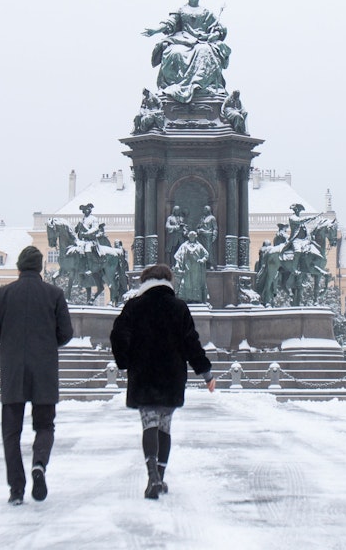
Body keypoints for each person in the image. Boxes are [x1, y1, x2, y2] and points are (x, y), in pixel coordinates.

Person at [110, 264, 216, 500]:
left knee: (149, 423)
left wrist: (125, 361)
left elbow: (118, 335)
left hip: (144, 373)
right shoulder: (178, 307)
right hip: (171, 374)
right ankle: (160, 474)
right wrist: (206, 372)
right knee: (165, 425)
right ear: (168, 281)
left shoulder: (134, 306)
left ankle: (152, 477)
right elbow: (191, 342)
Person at [0, 246, 74, 506]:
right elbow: (66, 333)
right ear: (40, 267)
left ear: (19, 267)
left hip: (13, 371)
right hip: (44, 370)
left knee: (11, 432)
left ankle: (16, 489)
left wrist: (10, 338)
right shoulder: (54, 294)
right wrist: (47, 343)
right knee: (45, 425)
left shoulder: (3, 294)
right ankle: (39, 464)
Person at [142, 0, 230, 104]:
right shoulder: (181, 10)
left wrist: (213, 35)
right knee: (173, 52)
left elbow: (220, 29)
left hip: (201, 41)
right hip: (182, 39)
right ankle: (172, 86)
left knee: (205, 51)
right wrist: (155, 31)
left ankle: (201, 86)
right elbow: (169, 23)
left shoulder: (206, 12)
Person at [173, 230, 209, 303]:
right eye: (190, 236)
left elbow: (206, 254)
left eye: (193, 236)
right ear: (188, 236)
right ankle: (187, 299)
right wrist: (177, 264)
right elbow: (178, 256)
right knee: (187, 283)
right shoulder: (184, 245)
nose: (192, 237)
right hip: (187, 266)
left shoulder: (199, 246)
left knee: (196, 283)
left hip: (196, 267)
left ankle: (197, 299)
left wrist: (202, 260)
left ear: (195, 237)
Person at [196, 205, 218, 270]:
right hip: (201, 236)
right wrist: (198, 230)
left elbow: (215, 228)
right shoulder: (202, 218)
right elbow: (198, 226)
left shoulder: (212, 218)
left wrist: (214, 236)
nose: (203, 211)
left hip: (208, 236)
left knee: (209, 250)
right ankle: (203, 263)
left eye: (205, 210)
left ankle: (211, 264)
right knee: (201, 250)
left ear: (208, 210)